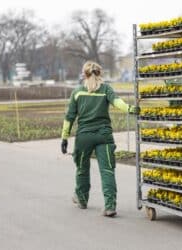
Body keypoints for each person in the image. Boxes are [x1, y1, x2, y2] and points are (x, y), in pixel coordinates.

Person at [61, 61, 139, 217]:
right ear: (100, 74)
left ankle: (82, 199)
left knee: (82, 169)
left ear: (84, 74)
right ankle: (110, 205)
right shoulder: (106, 89)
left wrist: (64, 138)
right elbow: (118, 103)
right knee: (107, 170)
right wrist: (131, 109)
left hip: (84, 137)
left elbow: (69, 117)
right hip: (104, 136)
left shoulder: (77, 92)